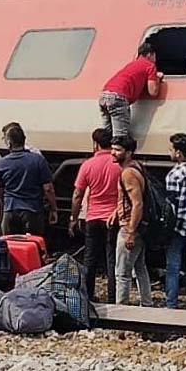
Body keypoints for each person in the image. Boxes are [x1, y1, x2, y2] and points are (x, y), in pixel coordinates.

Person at [70, 128, 120, 303]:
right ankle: (113, 298)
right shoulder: (118, 164)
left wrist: (74, 218)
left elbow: (77, 194)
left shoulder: (88, 165)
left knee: (90, 259)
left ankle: (88, 296)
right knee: (112, 261)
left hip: (92, 218)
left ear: (95, 144)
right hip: (113, 219)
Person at [0, 124, 58, 236]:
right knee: (33, 245)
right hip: (33, 211)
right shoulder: (38, 160)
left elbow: (0, 191)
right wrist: (53, 208)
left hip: (10, 211)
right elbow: (48, 188)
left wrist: (5, 206)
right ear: (24, 140)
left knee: (10, 246)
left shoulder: (2, 163)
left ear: (9, 143)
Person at [110, 136, 151, 306]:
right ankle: (147, 303)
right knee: (140, 267)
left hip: (130, 227)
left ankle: (122, 310)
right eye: (113, 148)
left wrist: (130, 232)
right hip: (137, 225)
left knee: (122, 273)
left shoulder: (128, 173)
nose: (113, 153)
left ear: (129, 153)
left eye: (118, 150)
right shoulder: (137, 167)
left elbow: (137, 203)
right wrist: (117, 211)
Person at [99, 43, 163, 139]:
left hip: (105, 94)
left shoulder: (132, 64)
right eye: (155, 56)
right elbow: (153, 92)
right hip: (118, 97)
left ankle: (103, 152)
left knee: (106, 136)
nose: (155, 60)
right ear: (150, 55)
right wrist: (158, 78)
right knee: (120, 138)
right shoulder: (149, 66)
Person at [164, 133, 186, 309]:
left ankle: (171, 303)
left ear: (178, 153)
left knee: (173, 266)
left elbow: (171, 206)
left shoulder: (174, 174)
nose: (169, 152)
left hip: (178, 225)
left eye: (171, 149)